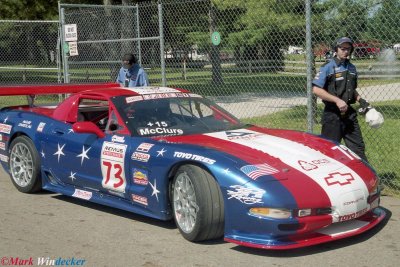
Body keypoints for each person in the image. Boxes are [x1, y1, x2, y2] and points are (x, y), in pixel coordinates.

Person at [312, 37, 371, 162]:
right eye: (342, 48)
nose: (345, 51)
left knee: (358, 149)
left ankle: (364, 179)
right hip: (332, 116)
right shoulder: (328, 67)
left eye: (348, 49)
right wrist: (337, 100)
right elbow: (316, 90)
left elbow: (350, 90)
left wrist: (361, 101)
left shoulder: (352, 68)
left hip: (349, 115)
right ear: (336, 49)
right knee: (329, 151)